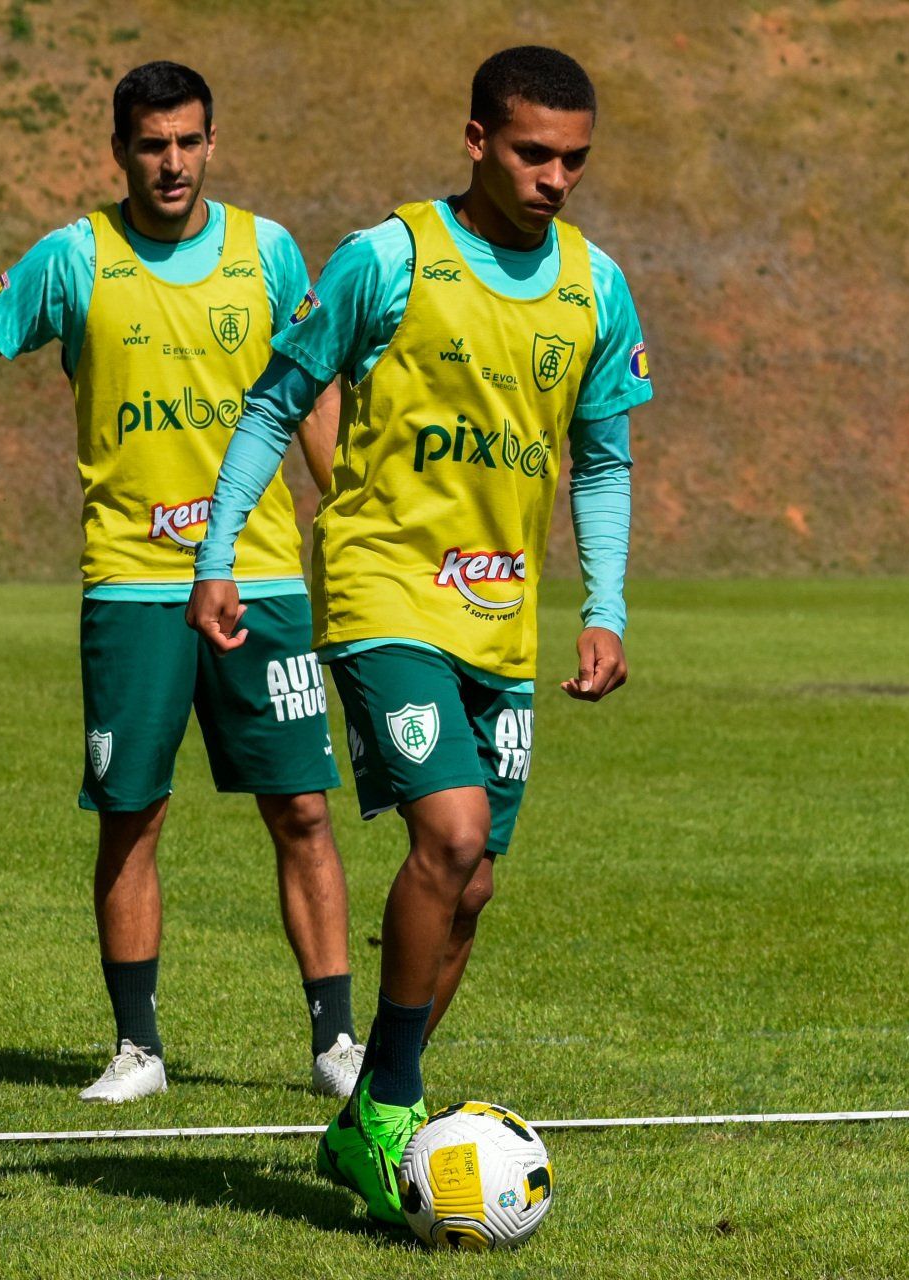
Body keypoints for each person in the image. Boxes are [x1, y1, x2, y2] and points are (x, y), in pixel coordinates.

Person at [0, 62, 364, 1103]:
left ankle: (336, 1043)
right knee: (133, 810)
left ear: (212, 143)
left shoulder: (268, 253)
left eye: (189, 141)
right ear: (120, 149)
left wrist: (346, 518)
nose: (172, 162)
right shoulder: (73, 258)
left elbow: (311, 394)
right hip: (133, 584)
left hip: (262, 577)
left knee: (302, 807)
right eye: (152, 143)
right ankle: (138, 1049)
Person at [188, 45, 652, 1224]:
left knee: (475, 881)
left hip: (501, 612)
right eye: (535, 152)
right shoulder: (387, 258)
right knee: (447, 834)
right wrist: (218, 552)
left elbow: (601, 459)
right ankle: (393, 1097)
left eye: (576, 158)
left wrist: (604, 604)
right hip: (382, 587)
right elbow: (276, 400)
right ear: (478, 140)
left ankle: (365, 1122)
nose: (557, 177)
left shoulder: (596, 287)